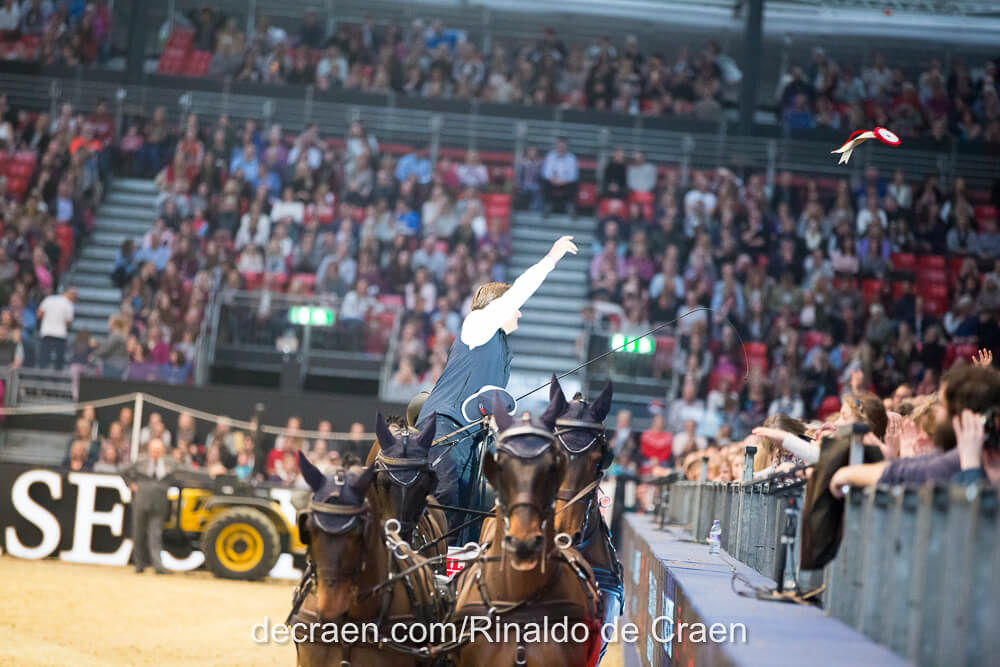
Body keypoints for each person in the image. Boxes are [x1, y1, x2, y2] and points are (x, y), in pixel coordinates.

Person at [417, 235, 578, 517]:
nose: (519, 314)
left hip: (472, 439)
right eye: (515, 307)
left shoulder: (501, 349)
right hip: (444, 429)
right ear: (498, 305)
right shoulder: (478, 324)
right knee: (446, 500)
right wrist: (552, 257)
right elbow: (520, 291)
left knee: (473, 514)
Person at [122, 438, 179, 574]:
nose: (156, 452)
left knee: (156, 535)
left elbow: (183, 471)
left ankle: (158, 566)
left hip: (159, 503)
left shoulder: (170, 463)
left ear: (163, 451)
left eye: (159, 449)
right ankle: (139, 564)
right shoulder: (141, 461)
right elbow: (123, 471)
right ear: (149, 450)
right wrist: (131, 484)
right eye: (154, 449)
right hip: (141, 501)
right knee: (138, 534)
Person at [37, 286, 77, 370]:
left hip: (46, 332)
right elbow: (69, 322)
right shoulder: (69, 305)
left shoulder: (49, 299)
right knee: (59, 361)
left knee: (44, 359)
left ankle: (41, 374)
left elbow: (39, 314)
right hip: (60, 334)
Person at [541, 137, 579, 216]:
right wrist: (552, 179)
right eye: (559, 146)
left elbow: (573, 176)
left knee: (574, 184)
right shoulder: (550, 156)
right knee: (544, 182)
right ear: (556, 146)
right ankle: (547, 206)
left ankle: (571, 207)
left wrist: (563, 181)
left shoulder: (571, 158)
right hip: (552, 182)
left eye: (563, 146)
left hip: (566, 183)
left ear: (566, 147)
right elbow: (546, 173)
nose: (561, 148)